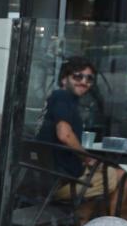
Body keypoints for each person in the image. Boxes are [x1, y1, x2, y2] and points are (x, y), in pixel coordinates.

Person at [36, 56, 122, 204]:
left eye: (89, 79)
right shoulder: (63, 97)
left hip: (49, 179)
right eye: (77, 76)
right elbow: (64, 134)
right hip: (63, 182)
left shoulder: (57, 99)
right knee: (122, 176)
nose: (84, 82)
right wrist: (87, 158)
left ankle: (82, 222)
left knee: (102, 178)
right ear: (64, 79)